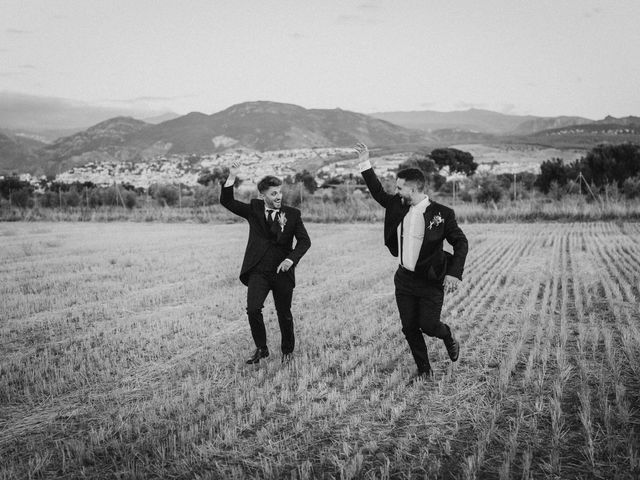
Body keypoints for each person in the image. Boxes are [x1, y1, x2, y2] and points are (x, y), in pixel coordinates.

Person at [355, 143, 468, 383]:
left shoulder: (442, 214)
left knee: (428, 325)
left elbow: (461, 243)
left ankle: (447, 335)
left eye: (400, 188)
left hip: (430, 279)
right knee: (409, 327)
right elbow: (376, 191)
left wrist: (454, 274)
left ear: (414, 189)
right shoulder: (397, 205)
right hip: (404, 278)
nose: (396, 192)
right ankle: (424, 369)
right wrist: (365, 163)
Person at [221, 162, 311, 364]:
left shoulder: (293, 214)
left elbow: (305, 241)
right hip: (258, 271)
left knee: (284, 313)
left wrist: (290, 259)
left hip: (282, 272)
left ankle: (287, 351)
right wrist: (232, 176)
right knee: (253, 309)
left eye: (279, 192)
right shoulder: (254, 209)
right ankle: (261, 348)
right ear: (263, 196)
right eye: (273, 194)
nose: (278, 197)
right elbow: (227, 202)